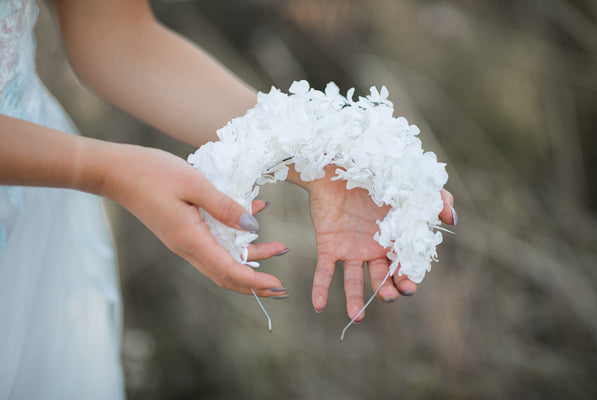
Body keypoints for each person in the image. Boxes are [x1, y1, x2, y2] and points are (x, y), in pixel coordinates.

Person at [0, 0, 456, 398]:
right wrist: (102, 170)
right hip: (58, 170)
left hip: (37, 217)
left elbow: (119, 40)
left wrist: (318, 154)